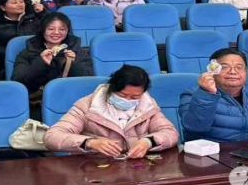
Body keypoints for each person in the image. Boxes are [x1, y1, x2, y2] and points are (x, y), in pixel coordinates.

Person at [44, 65, 178, 156]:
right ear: (111, 88)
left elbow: (170, 133)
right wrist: (90, 142)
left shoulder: (147, 105)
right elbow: (52, 137)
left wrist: (149, 142)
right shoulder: (88, 106)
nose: (128, 100)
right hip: (93, 168)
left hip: (136, 167)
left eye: (135, 97)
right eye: (122, 95)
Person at [11, 12, 94, 95]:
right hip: (37, 99)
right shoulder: (29, 51)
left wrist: (72, 64)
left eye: (62, 29)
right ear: (42, 30)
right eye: (51, 29)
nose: (56, 32)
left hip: (72, 97)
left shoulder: (76, 50)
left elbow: (88, 80)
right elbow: (17, 81)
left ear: (67, 31)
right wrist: (41, 62)